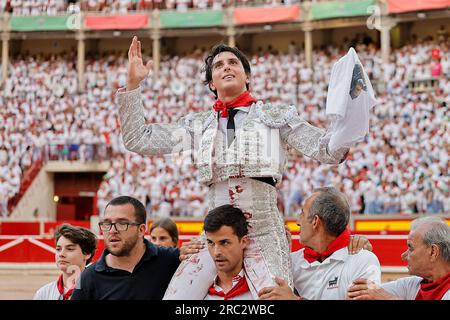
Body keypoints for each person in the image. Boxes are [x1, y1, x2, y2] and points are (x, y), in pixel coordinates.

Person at [118, 37, 368, 299]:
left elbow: (327, 150)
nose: (226, 67)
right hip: (214, 235)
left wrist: (351, 114)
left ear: (246, 76)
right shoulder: (197, 125)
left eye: (233, 63)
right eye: (218, 66)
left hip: (263, 232)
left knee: (274, 299)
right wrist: (133, 85)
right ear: (212, 84)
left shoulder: (275, 116)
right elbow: (138, 139)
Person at [258, 187, 381, 300]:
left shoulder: (362, 260)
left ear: (315, 221)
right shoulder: (291, 263)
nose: (297, 221)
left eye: (302, 213)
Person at [70, 196, 180, 300]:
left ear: (141, 230)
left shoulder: (172, 259)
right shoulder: (88, 278)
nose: (112, 230)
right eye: (107, 223)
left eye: (122, 223)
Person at [348, 216, 450, 300]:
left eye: (410, 248)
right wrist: (357, 246)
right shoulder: (412, 285)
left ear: (433, 252)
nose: (403, 256)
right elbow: (362, 293)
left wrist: (388, 298)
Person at [33, 224, 97, 300]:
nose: (61, 254)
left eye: (70, 249)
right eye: (58, 249)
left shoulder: (100, 292)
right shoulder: (43, 294)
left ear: (87, 254)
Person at [203, 204, 253, 300]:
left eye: (224, 242)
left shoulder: (261, 288)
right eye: (210, 243)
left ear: (243, 242)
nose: (216, 252)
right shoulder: (196, 290)